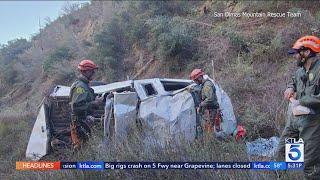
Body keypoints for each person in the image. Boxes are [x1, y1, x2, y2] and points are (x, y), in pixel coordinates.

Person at [276, 35, 320, 179]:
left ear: (306, 53)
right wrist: (289, 87)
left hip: (312, 123)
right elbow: (293, 81)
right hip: (294, 120)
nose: (295, 56)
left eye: (296, 52)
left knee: (310, 166)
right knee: (280, 152)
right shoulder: (300, 70)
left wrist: (301, 101)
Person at [69, 59, 104, 150]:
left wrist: (94, 102)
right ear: (87, 71)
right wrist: (95, 103)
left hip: (83, 122)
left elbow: (84, 102)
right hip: (79, 124)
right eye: (92, 71)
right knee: (81, 149)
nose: (94, 73)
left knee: (85, 147)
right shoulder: (80, 87)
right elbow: (76, 106)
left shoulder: (84, 85)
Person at [190, 69, 220, 138]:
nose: (195, 82)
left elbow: (210, 99)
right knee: (209, 129)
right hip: (210, 111)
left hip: (212, 111)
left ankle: (210, 144)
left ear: (199, 78)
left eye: (195, 80)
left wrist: (201, 105)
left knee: (209, 130)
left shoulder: (207, 85)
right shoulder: (203, 85)